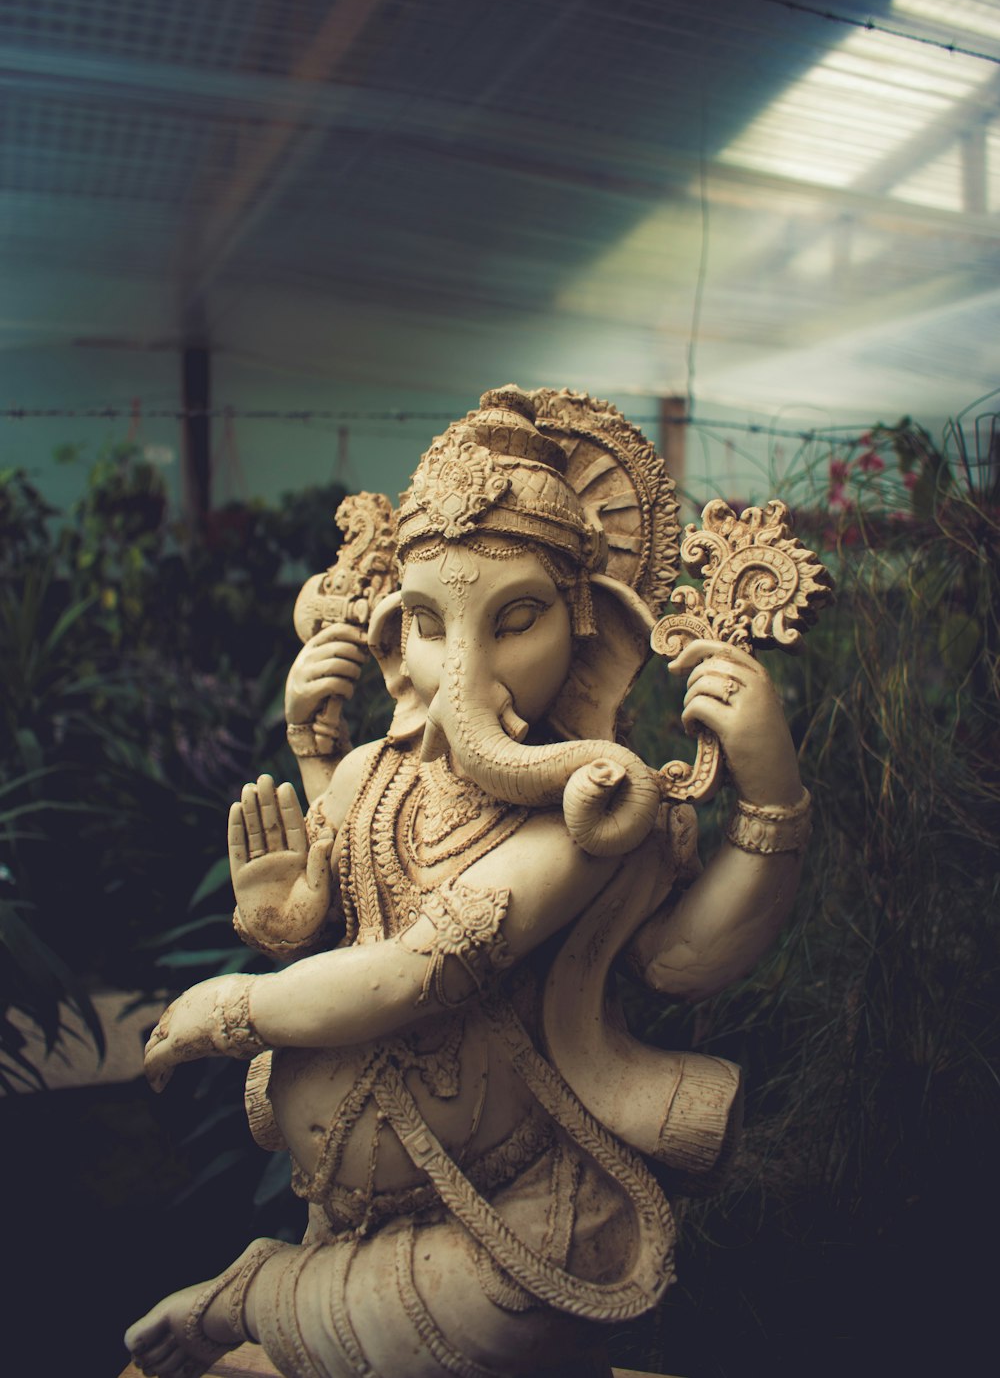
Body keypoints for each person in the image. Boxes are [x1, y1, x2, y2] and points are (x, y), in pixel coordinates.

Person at [125, 387, 814, 1378]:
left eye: (516, 618)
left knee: (510, 1316)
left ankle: (257, 1296)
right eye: (432, 624)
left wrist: (771, 797)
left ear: (589, 630)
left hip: (512, 1207)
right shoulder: (371, 773)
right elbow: (350, 918)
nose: (467, 664)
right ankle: (298, 1289)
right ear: (396, 638)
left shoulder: (591, 815)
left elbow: (426, 972)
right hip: (344, 1205)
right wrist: (287, 905)